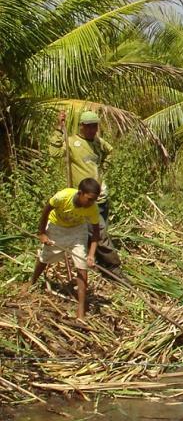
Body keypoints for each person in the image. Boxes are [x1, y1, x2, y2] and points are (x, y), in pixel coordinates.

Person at [50, 109, 127, 284]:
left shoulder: (98, 142)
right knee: (100, 233)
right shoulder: (72, 142)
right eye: (89, 126)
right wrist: (57, 129)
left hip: (101, 196)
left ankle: (95, 262)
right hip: (86, 199)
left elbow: (111, 151)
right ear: (82, 127)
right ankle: (113, 269)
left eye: (95, 126)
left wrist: (104, 167)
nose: (93, 130)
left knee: (97, 232)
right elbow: (54, 153)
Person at [29, 178, 102, 319]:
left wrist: (91, 255)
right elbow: (46, 211)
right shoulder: (62, 197)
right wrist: (42, 233)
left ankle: (81, 308)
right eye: (89, 199)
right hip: (57, 227)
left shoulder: (92, 208)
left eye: (94, 200)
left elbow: (96, 233)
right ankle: (32, 281)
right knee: (45, 257)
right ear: (80, 193)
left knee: (82, 265)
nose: (91, 203)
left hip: (77, 230)